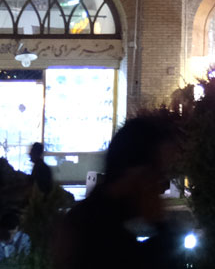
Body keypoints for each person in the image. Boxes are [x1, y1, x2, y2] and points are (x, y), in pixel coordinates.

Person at [53, 114, 181, 268]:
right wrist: (161, 227)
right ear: (137, 173)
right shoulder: (107, 239)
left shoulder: (86, 219)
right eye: (158, 174)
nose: (160, 188)